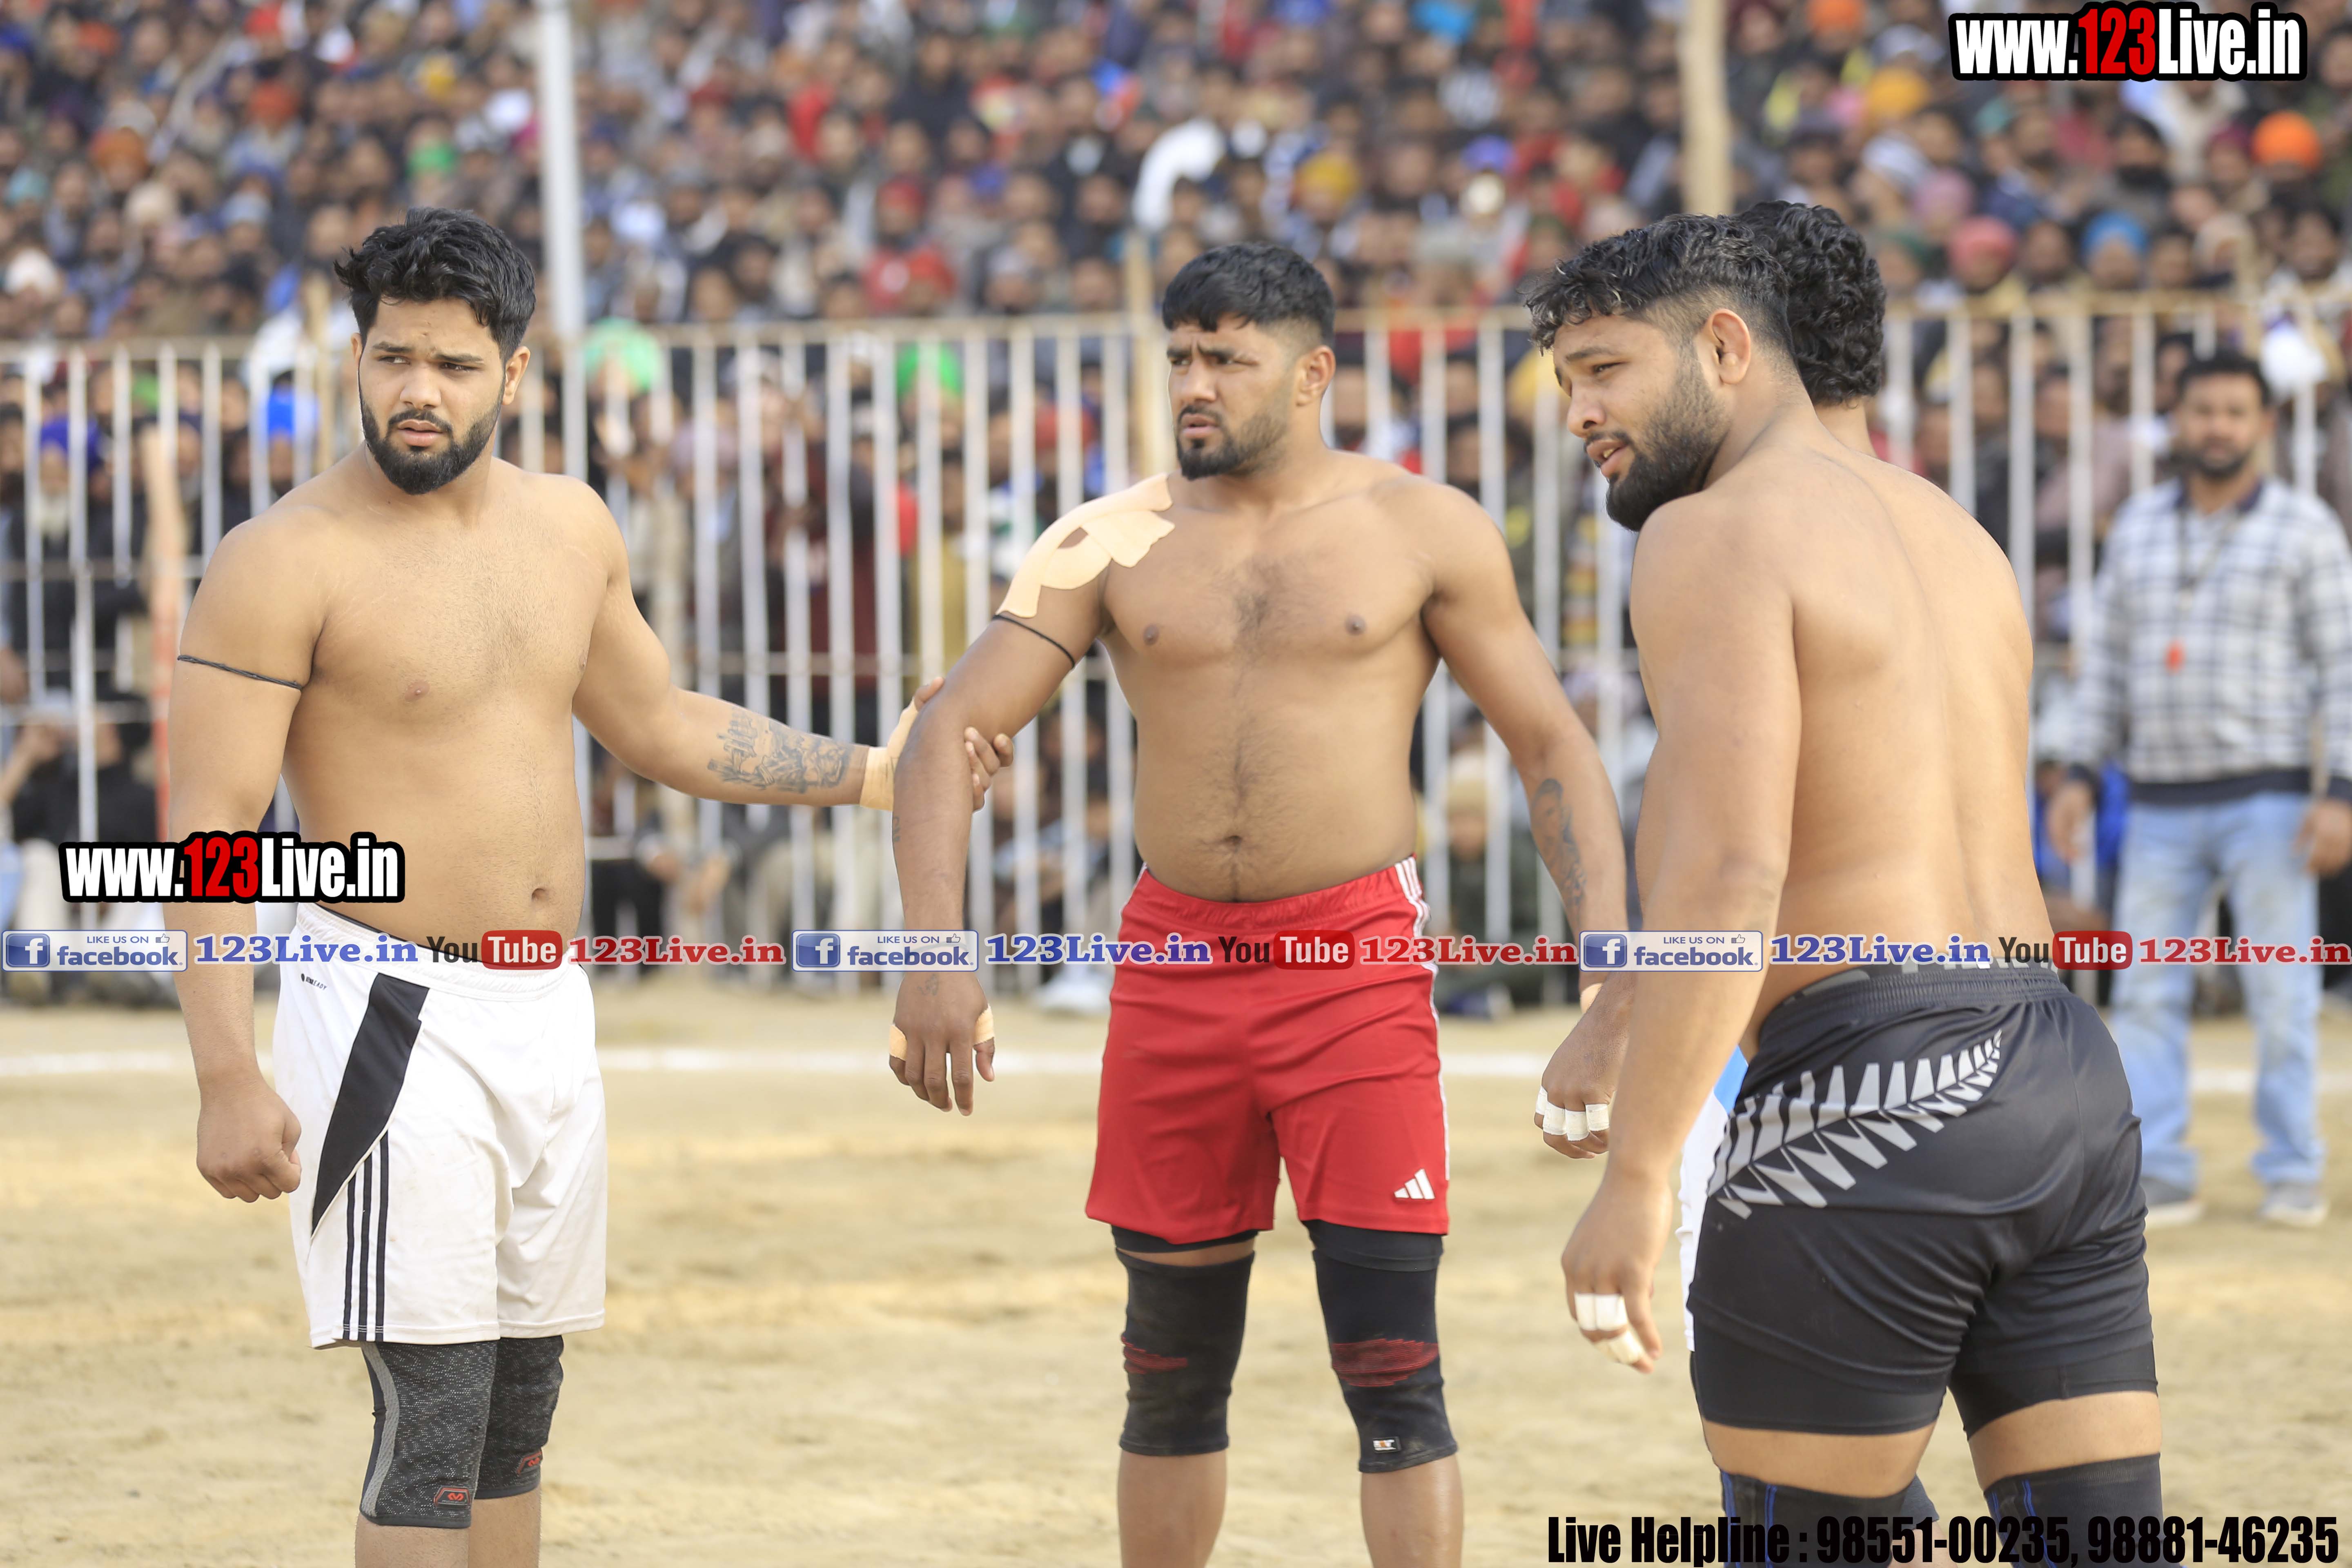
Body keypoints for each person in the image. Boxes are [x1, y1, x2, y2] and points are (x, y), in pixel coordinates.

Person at [164, 207, 1007, 1568]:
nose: (417, 391)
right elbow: (210, 826)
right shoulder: (283, 556)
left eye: (450, 364)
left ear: (515, 370)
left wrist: (879, 772)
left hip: (547, 1005)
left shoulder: (570, 526)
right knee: (434, 1422)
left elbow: (661, 724)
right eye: (392, 359)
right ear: (356, 361)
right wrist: (224, 1072)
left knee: (520, 1412)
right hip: (387, 1008)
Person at [887, 241, 1633, 1568]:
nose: (1193, 383)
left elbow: (1551, 746)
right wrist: (937, 954)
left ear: (1311, 373)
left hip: (1353, 967)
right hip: (1175, 966)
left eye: (1226, 358)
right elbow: (951, 729)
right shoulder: (1107, 539)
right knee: (1168, 1371)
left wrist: (1611, 976)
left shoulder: (1420, 527)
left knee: (1395, 1372)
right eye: (1180, 356)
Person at [1532, 214, 2162, 1525]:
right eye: (1567, 382)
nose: (1579, 413)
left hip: (1874, 1082)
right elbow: (1865, 822)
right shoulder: (1955, 535)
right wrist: (1627, 1008)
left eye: (1604, 371)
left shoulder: (1712, 533)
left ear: (1726, 346)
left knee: (1806, 1535)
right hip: (2059, 1074)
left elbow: (1734, 873)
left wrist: (1639, 1176)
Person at [2049, 350, 2352, 1229]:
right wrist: (2080, 772)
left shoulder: (2306, 529)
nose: (2218, 426)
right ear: (2177, 421)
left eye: (2235, 411)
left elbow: (2343, 670)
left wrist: (2341, 791)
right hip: (2157, 804)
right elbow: (2106, 665)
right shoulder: (2140, 526)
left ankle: (2292, 1167)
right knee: (2148, 993)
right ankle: (2165, 1173)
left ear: (2264, 425)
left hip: (2273, 803)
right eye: (2203, 410)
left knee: (2282, 993)